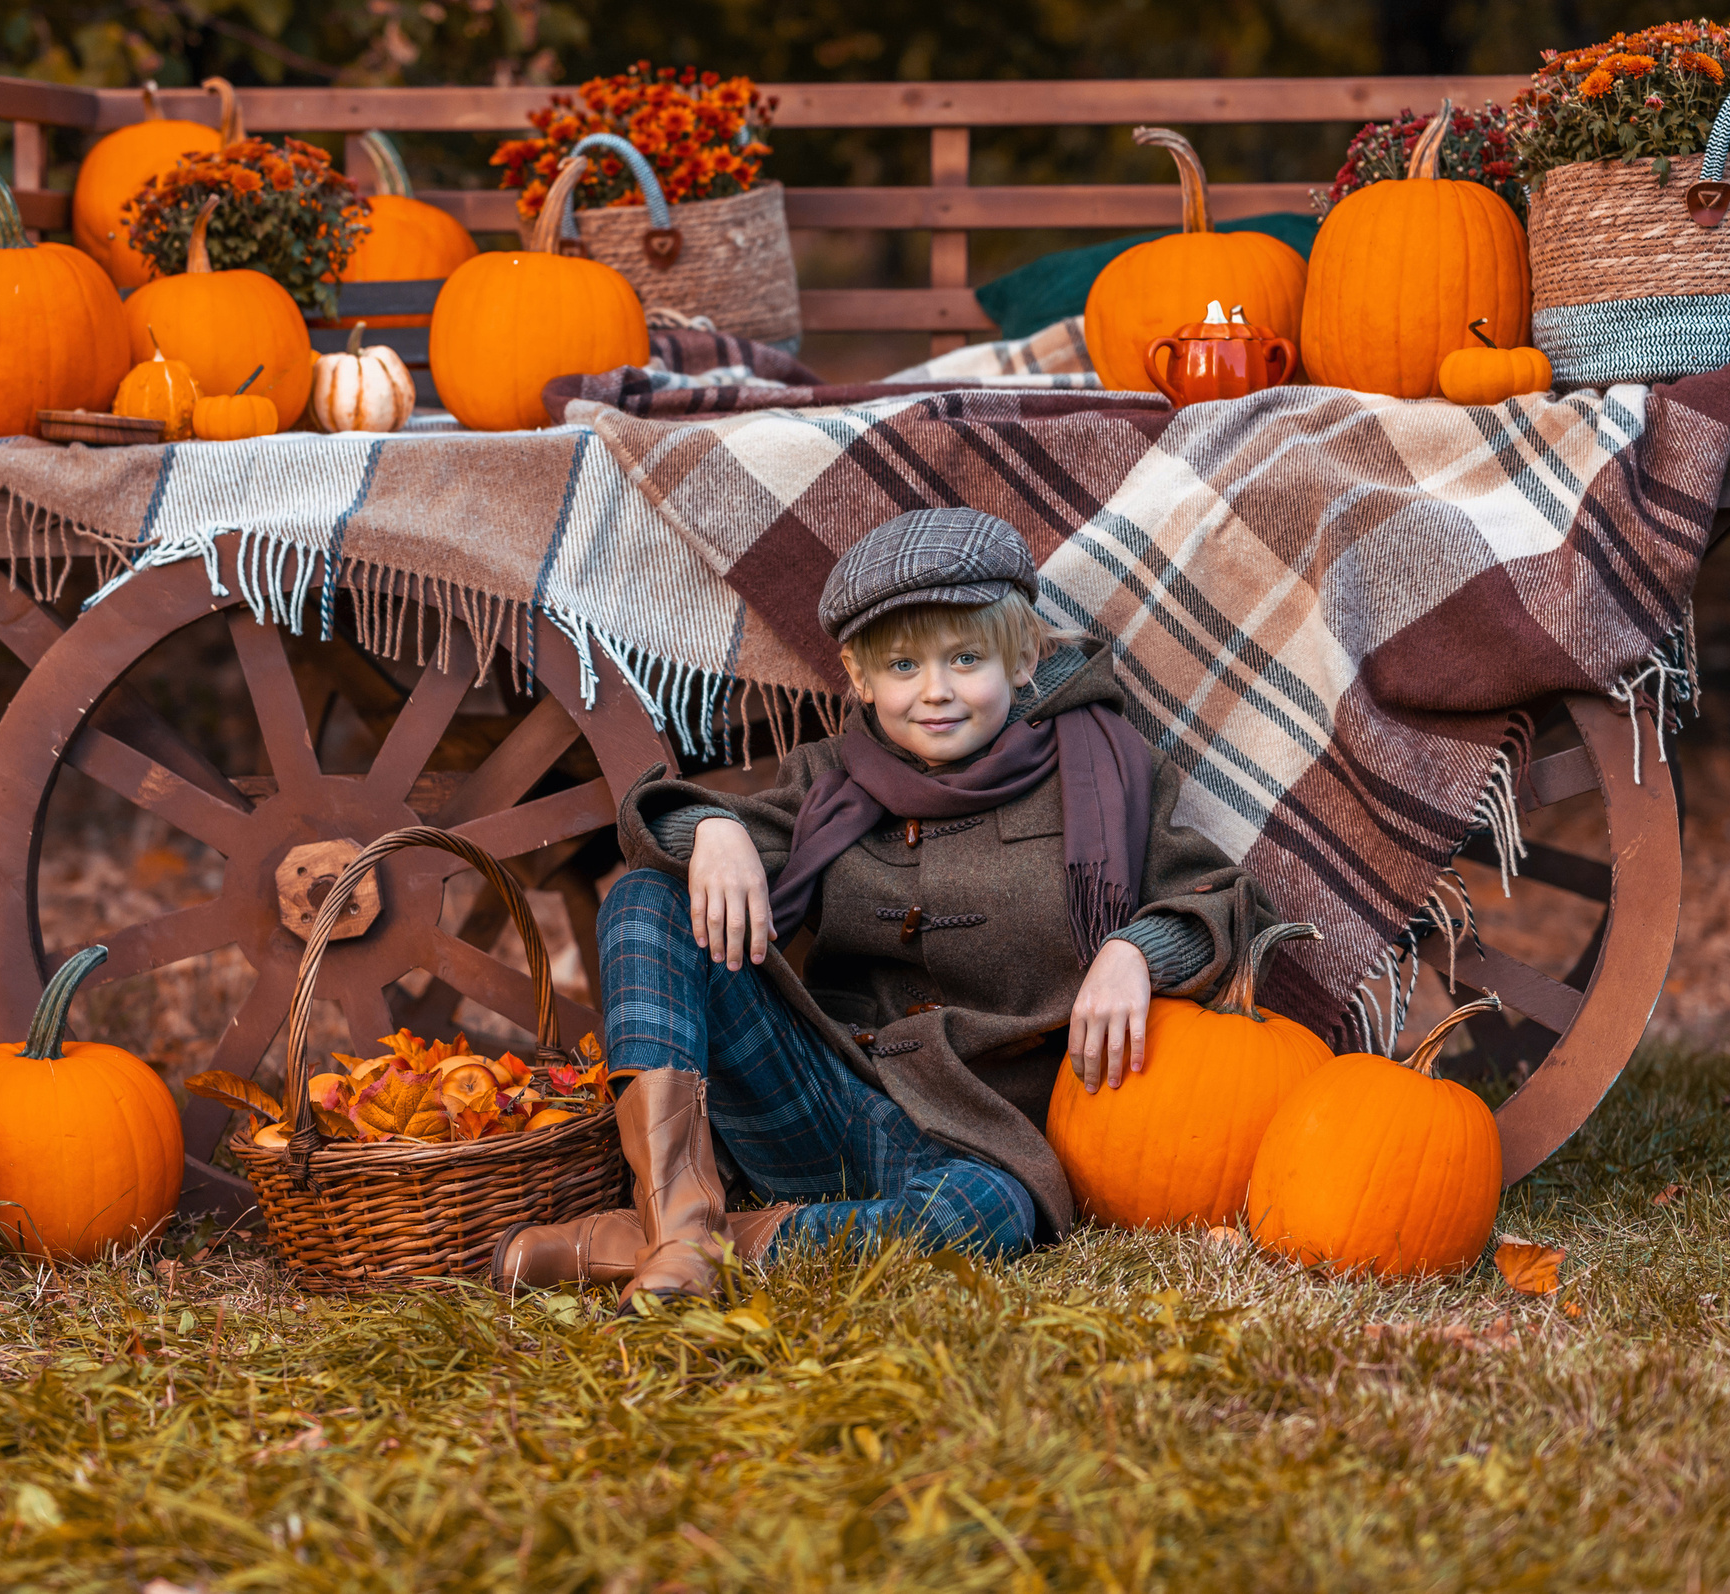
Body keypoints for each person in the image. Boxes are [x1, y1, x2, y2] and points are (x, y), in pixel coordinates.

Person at [491, 507, 1270, 1301]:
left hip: (973, 1136)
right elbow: (660, 833)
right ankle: (679, 1227)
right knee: (647, 898)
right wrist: (715, 828)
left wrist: (1135, 950)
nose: (935, 691)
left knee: (989, 1216)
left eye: (966, 659)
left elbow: (1224, 903)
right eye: (902, 666)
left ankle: (660, 1249)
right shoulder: (827, 777)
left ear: (1022, 658)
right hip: (818, 1093)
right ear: (861, 679)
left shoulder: (1103, 773)